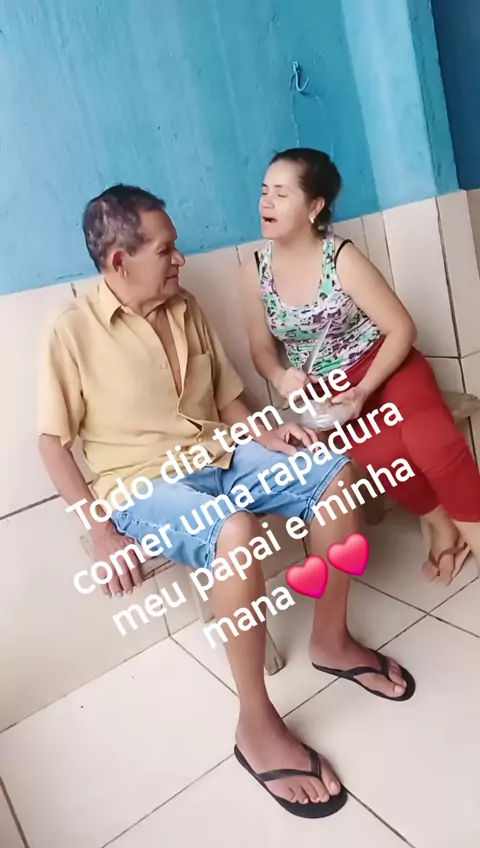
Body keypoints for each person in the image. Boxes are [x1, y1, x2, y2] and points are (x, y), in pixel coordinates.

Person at [38, 185, 415, 820]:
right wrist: (100, 529)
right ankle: (256, 724)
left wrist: (263, 431)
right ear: (120, 261)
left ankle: (332, 639)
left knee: (334, 472)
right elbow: (52, 444)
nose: (180, 258)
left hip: (222, 454)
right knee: (233, 532)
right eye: (166, 249)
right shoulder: (71, 331)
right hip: (142, 483)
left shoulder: (184, 306)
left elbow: (225, 396)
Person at [240, 148, 480, 586]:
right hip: (329, 396)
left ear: (314, 206)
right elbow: (261, 350)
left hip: (386, 368)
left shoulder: (341, 258)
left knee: (431, 440)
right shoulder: (254, 272)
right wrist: (278, 375)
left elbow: (402, 328)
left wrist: (365, 390)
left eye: (281, 194)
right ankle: (440, 523)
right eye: (264, 191)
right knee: (382, 456)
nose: (265, 203)